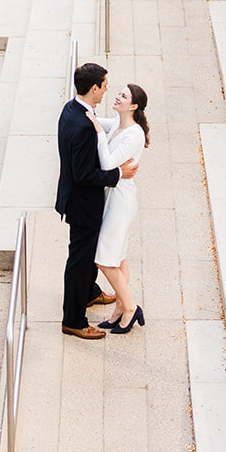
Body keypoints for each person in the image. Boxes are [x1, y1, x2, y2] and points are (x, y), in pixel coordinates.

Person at [56, 63, 138, 340]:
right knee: (80, 261)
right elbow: (84, 175)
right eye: (104, 85)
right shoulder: (82, 126)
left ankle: (90, 293)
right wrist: (119, 174)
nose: (106, 91)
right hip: (83, 204)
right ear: (94, 88)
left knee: (86, 255)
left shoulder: (72, 109)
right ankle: (74, 320)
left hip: (76, 199)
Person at [94, 83, 149, 332]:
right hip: (113, 198)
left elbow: (107, 164)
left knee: (104, 260)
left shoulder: (134, 134)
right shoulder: (118, 124)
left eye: (123, 96)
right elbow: (96, 120)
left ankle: (129, 307)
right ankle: (120, 308)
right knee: (118, 257)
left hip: (121, 201)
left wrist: (98, 134)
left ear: (134, 106)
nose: (117, 96)